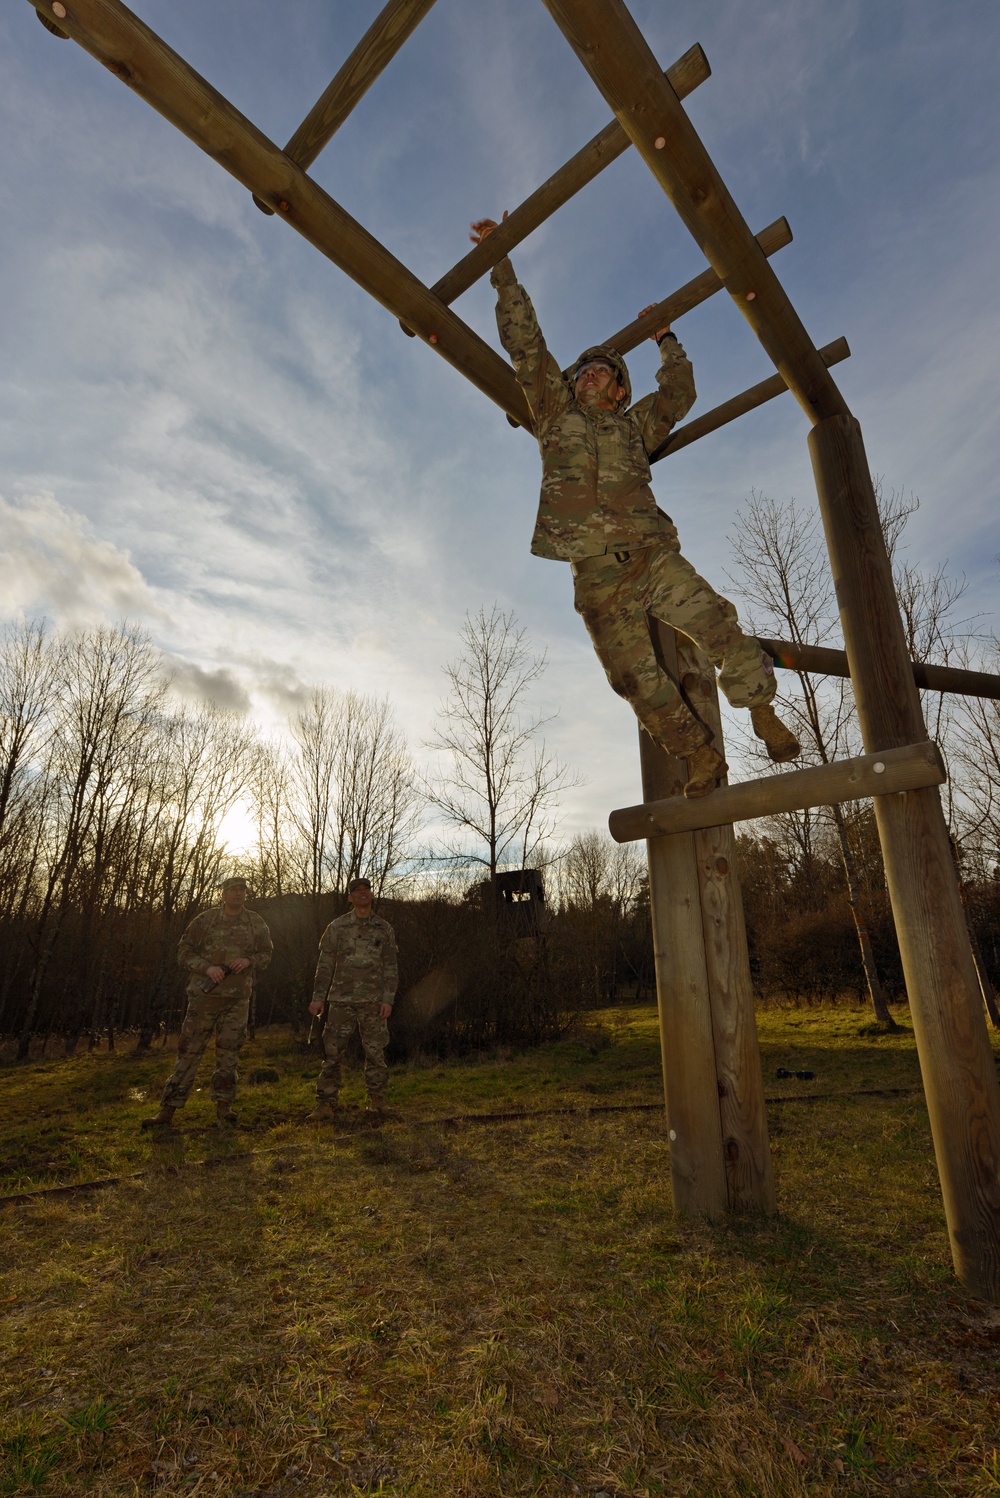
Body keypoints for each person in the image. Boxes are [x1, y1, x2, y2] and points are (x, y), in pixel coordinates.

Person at [470, 216, 800, 797]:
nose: (591, 375)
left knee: (716, 622)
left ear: (621, 391)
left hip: (649, 555)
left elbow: (679, 395)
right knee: (632, 679)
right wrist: (503, 270)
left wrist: (666, 338)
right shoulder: (554, 415)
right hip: (595, 575)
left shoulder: (634, 429)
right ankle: (700, 757)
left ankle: (761, 710)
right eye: (584, 372)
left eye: (604, 372)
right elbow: (526, 345)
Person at [143, 876, 272, 1130]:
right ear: (223, 894)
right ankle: (167, 1111)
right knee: (188, 1053)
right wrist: (207, 968)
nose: (238, 894)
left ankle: (224, 1109)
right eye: (233, 890)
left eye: (242, 890)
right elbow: (184, 952)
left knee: (229, 1055)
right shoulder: (205, 920)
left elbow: (267, 953)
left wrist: (249, 961)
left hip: (236, 1000)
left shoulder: (255, 922)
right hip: (203, 1000)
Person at [307, 877, 398, 1120]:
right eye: (356, 891)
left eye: (366, 890)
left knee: (376, 1053)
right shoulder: (337, 927)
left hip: (373, 1002)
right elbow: (324, 965)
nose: (362, 894)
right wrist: (318, 998)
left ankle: (377, 1103)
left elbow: (391, 967)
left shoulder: (383, 928)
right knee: (332, 1053)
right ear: (350, 897)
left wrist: (388, 999)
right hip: (341, 1000)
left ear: (371, 894)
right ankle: (325, 1104)